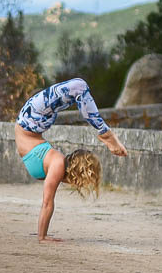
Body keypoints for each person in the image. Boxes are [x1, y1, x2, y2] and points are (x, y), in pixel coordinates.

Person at [13, 77, 128, 242]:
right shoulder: (57, 165)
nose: (83, 183)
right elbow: (47, 203)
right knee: (79, 87)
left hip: (33, 120)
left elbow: (47, 202)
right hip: (32, 121)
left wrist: (42, 236)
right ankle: (105, 132)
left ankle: (104, 132)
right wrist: (42, 237)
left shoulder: (57, 166)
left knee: (78, 88)